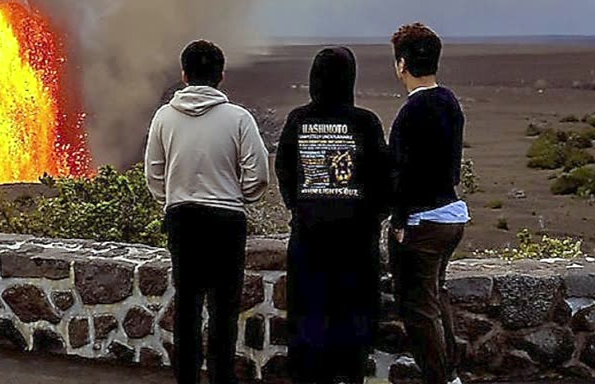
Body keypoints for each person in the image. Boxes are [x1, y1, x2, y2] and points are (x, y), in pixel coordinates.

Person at [145, 40, 270, 384]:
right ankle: (220, 378)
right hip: (226, 221)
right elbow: (258, 174)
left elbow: (153, 172)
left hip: (183, 220)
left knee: (187, 304)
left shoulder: (164, 117)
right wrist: (239, 197)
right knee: (224, 308)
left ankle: (186, 378)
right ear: (221, 76)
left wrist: (172, 198)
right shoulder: (239, 119)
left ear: (184, 75)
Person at [275, 47, 390, 384]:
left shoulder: (299, 120)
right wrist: (371, 219)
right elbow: (382, 177)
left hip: (309, 239)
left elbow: (284, 169)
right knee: (352, 321)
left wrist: (300, 209)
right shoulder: (364, 122)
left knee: (309, 319)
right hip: (355, 243)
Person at [387, 23, 467, 384]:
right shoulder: (450, 102)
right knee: (436, 295)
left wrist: (399, 221)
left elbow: (403, 174)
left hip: (423, 222)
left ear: (401, 64)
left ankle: (440, 378)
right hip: (451, 214)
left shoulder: (409, 114)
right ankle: (451, 371)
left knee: (418, 310)